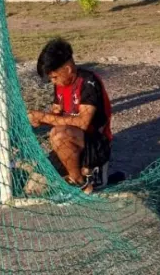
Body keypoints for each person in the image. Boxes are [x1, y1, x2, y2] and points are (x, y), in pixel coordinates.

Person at [27, 38, 118, 192]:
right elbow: (55, 114)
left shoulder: (88, 82)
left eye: (54, 77)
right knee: (35, 184)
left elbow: (83, 123)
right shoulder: (60, 85)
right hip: (70, 141)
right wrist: (38, 120)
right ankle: (81, 172)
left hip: (95, 144)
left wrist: (44, 117)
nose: (53, 82)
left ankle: (81, 181)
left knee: (58, 134)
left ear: (68, 69)